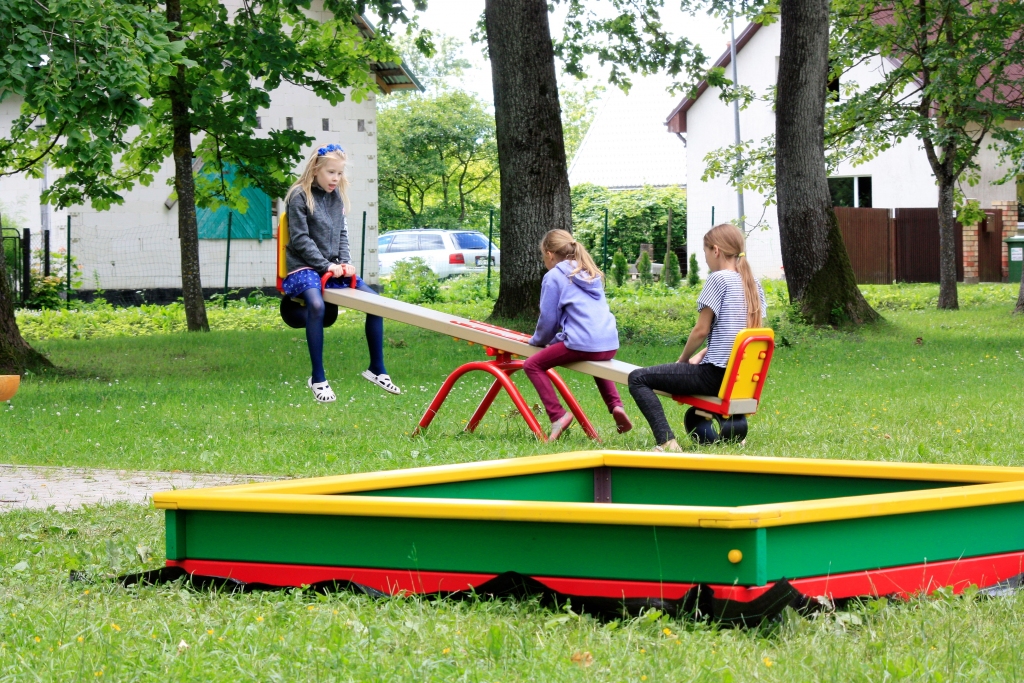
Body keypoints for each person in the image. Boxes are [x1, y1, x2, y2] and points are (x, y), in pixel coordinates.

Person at [628, 223, 766, 451]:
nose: (705, 259)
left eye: (705, 253)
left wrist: (683, 360)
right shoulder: (754, 284)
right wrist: (704, 353)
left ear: (716, 250)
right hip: (738, 378)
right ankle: (733, 436)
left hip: (714, 377)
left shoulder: (718, 279)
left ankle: (667, 442)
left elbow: (701, 330)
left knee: (637, 378)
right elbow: (743, 336)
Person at [282, 143, 400, 402]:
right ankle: (318, 377)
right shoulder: (299, 196)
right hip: (303, 267)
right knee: (315, 305)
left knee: (375, 303)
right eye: (331, 172)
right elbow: (300, 240)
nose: (336, 178)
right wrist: (326, 266)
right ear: (316, 169)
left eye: (339, 173)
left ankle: (376, 369)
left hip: (332, 266)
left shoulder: (335, 197)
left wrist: (346, 263)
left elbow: (343, 235)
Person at [524, 229, 632, 440]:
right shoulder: (589, 271)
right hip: (609, 343)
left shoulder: (554, 276)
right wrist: (556, 341)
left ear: (549, 253)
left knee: (532, 365)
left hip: (584, 342)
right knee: (596, 362)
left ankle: (558, 416)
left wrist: (537, 342)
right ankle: (616, 406)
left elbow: (548, 321)